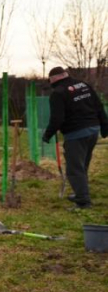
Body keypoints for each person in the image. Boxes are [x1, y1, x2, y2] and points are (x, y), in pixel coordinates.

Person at [42, 66, 108, 209]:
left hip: (76, 133)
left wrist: (48, 134)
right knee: (82, 165)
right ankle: (80, 193)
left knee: (74, 169)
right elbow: (99, 106)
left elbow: (57, 118)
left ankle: (83, 201)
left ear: (53, 79)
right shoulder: (83, 85)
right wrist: (104, 126)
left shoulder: (58, 93)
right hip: (93, 130)